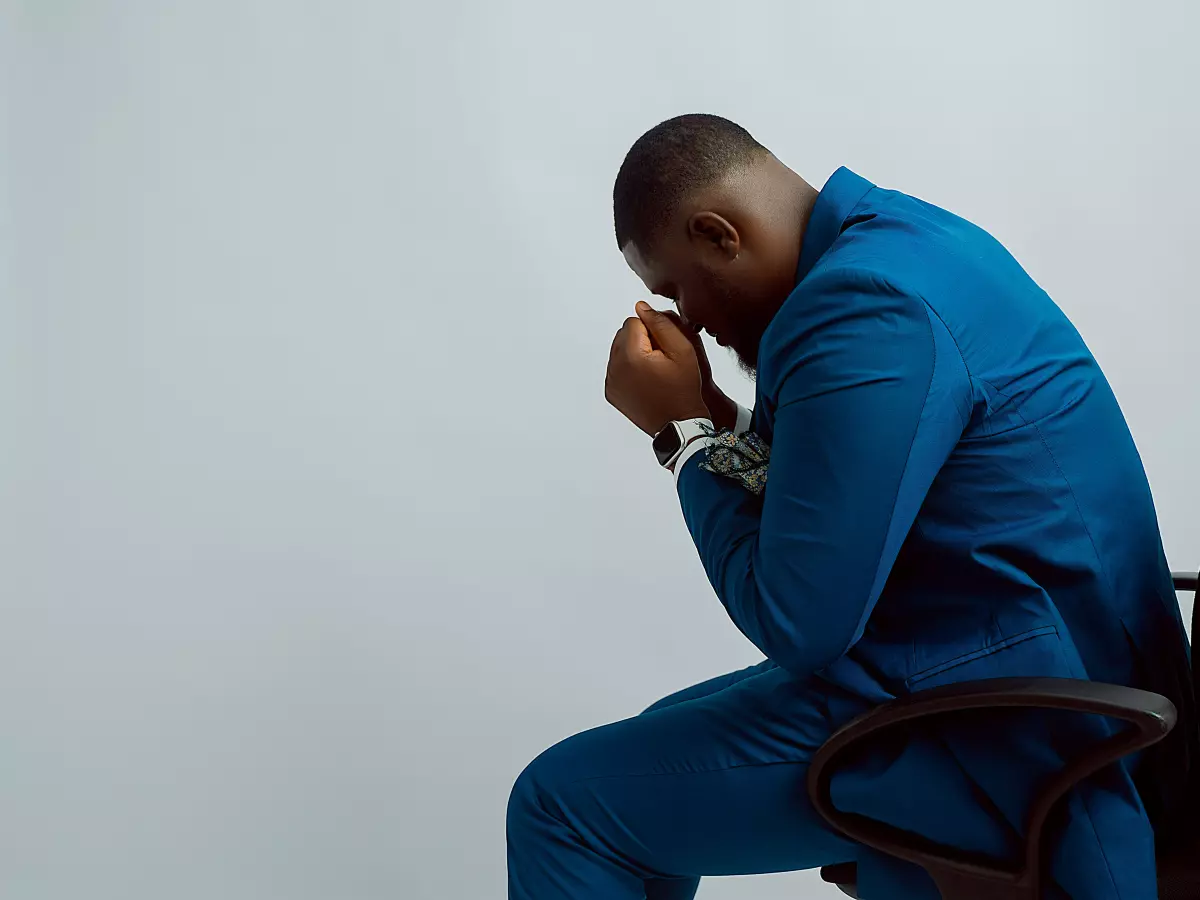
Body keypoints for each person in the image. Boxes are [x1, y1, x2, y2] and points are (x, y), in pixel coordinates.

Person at [506, 114, 1196, 900]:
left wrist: (682, 436)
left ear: (717, 234)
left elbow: (800, 619)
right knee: (647, 738)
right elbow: (844, 470)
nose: (686, 319)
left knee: (559, 805)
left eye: (675, 289)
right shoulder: (901, 243)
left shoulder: (863, 307)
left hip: (1025, 725)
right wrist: (709, 406)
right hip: (1025, 663)